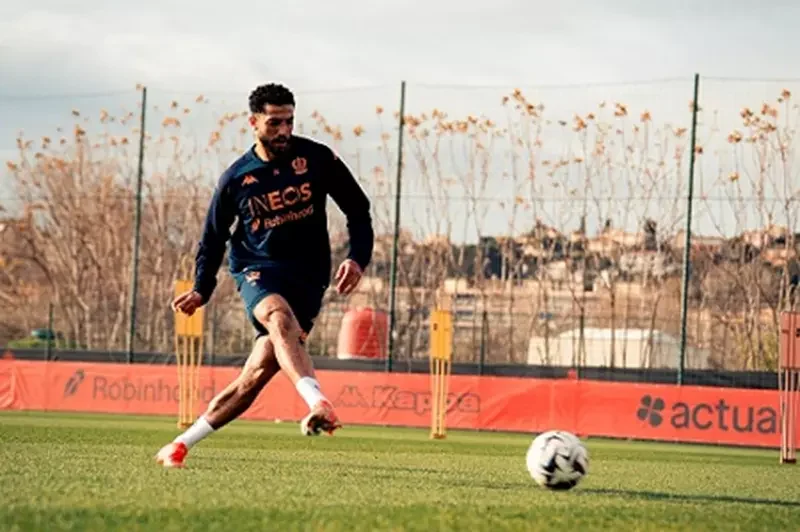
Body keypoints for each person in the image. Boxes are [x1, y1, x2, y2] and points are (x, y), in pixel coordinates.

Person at [155, 82, 374, 468]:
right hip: (257, 269)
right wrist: (202, 288)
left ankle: (181, 444)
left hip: (309, 276)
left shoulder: (317, 158)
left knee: (256, 374)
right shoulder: (236, 178)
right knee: (278, 317)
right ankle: (318, 402)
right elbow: (212, 239)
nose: (284, 130)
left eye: (289, 121)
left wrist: (357, 259)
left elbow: (358, 210)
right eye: (274, 123)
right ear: (254, 123)